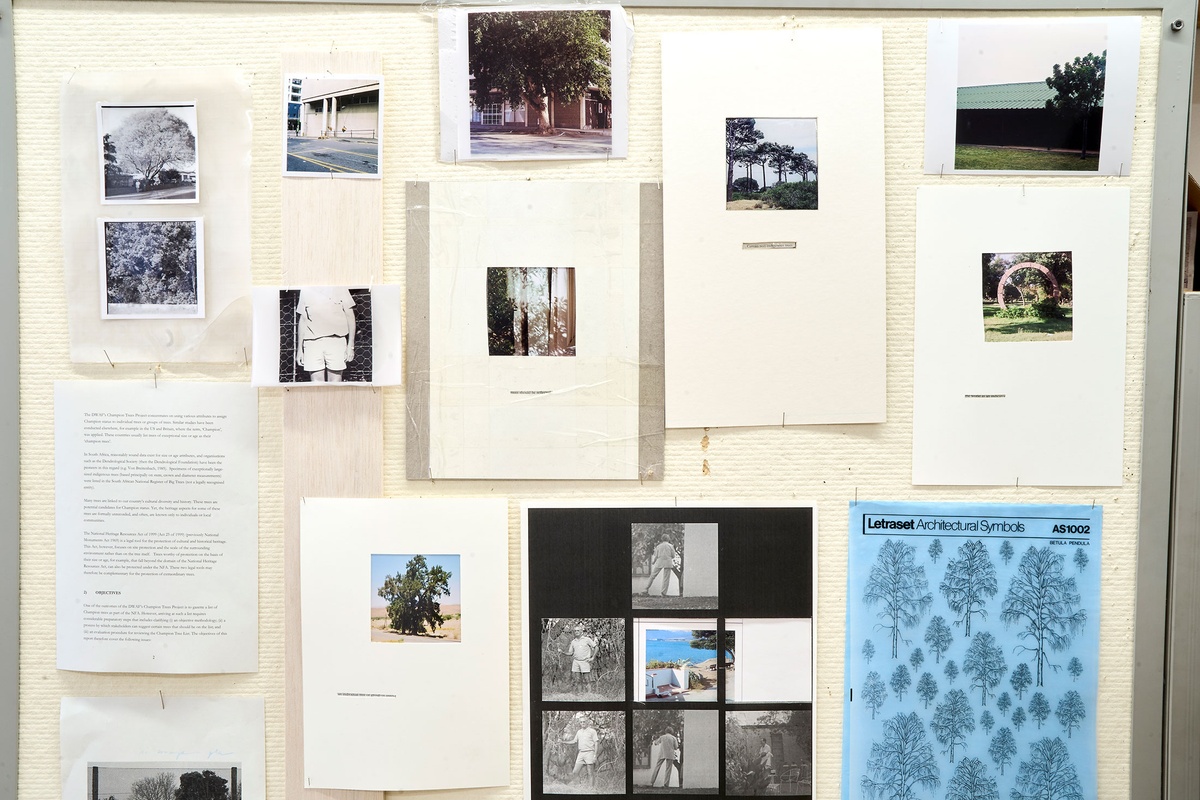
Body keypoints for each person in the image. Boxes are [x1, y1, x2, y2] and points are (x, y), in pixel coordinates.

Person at [294, 287, 356, 383]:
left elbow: (350, 316)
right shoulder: (306, 289)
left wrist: (350, 346)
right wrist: (299, 350)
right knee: (316, 384)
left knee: (335, 383)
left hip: (336, 342)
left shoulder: (340, 288)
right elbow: (303, 319)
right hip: (312, 343)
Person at [562, 716, 599, 788]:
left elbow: (596, 743)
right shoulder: (579, 732)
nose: (582, 723)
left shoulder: (592, 731)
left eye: (584, 721)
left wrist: (595, 755)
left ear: (587, 722)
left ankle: (591, 789)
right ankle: (575, 786)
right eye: (581, 722)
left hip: (589, 752)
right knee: (575, 772)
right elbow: (574, 741)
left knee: (590, 772)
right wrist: (563, 742)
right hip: (581, 753)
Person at [562, 623, 598, 691]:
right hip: (576, 662)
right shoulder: (573, 642)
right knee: (577, 679)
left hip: (585, 661)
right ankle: (580, 694)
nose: (576, 632)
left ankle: (589, 694)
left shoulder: (587, 639)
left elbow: (596, 647)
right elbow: (570, 653)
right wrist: (562, 652)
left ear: (581, 631)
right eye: (575, 631)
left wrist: (592, 658)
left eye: (578, 630)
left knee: (586, 678)